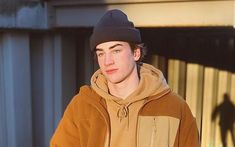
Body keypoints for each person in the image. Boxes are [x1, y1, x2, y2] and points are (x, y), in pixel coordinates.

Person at [50, 9, 200, 147]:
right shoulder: (82, 106)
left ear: (136, 53)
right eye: (101, 53)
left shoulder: (175, 108)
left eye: (116, 51)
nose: (107, 61)